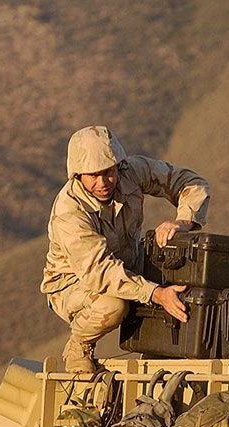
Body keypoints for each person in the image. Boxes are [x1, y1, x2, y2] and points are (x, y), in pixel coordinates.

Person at [41, 125, 210, 372]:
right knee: (114, 306)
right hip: (74, 283)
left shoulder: (132, 171)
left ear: (118, 166)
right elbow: (100, 273)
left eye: (108, 172)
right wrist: (156, 294)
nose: (103, 183)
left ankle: (163, 347)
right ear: (77, 175)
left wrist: (183, 221)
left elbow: (191, 183)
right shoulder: (70, 213)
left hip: (129, 263)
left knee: (189, 276)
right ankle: (79, 344)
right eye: (93, 175)